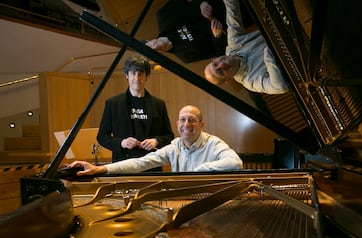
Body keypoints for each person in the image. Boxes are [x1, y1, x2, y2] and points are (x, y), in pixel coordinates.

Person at [69, 105, 243, 176]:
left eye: (192, 120)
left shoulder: (213, 143)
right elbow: (140, 163)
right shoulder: (174, 146)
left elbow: (236, 163)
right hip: (179, 200)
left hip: (209, 202)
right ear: (177, 124)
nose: (186, 124)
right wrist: (100, 169)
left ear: (201, 124)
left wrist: (200, 169)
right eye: (182, 120)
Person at [97, 54, 174, 167]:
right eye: (133, 73)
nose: (137, 78)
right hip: (122, 164)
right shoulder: (113, 104)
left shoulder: (159, 104)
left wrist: (156, 141)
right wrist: (122, 143)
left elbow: (169, 136)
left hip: (151, 163)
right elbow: (102, 137)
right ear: (127, 75)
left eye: (140, 74)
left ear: (146, 76)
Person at [203, 0, 290, 95]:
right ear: (228, 80)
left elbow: (232, 8)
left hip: (287, 24)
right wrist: (269, 53)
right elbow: (280, 87)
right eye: (220, 72)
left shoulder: (233, 46)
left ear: (215, 58)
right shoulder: (251, 81)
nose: (221, 65)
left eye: (215, 64)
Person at [145, 0, 227, 64]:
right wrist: (218, 36)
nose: (154, 48)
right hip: (231, 25)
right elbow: (219, 53)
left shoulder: (163, 15)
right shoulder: (186, 57)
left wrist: (201, 3)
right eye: (152, 52)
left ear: (148, 41)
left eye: (149, 47)